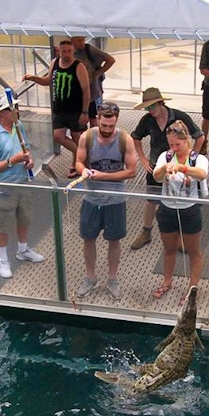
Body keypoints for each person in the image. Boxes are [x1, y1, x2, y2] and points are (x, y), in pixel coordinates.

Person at [74, 102, 137, 300]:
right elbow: (78, 161)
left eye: (111, 126)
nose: (107, 130)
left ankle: (112, 279)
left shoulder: (125, 139)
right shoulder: (87, 137)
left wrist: (102, 176)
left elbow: (131, 171)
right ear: (98, 121)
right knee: (88, 238)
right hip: (91, 199)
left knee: (114, 240)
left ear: (116, 122)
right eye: (104, 126)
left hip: (115, 200)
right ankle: (90, 277)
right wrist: (82, 170)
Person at [130, 87, 205, 250]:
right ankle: (146, 232)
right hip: (158, 164)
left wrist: (192, 159)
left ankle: (181, 236)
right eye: (147, 108)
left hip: (179, 165)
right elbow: (136, 137)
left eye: (152, 106)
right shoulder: (147, 120)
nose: (150, 110)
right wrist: (143, 160)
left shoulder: (179, 117)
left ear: (160, 103)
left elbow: (199, 136)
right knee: (151, 200)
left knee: (181, 199)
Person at [0, 95, 45, 279]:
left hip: (22, 182)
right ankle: (2, 260)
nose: (17, 111)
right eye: (14, 108)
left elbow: (25, 151)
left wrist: (29, 161)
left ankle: (23, 250)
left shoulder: (18, 127)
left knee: (24, 218)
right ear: (2, 113)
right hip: (4, 188)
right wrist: (12, 161)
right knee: (3, 225)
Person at [152, 119, 208, 302]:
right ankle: (167, 282)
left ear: (187, 141)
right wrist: (164, 169)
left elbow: (202, 174)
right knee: (169, 249)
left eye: (178, 144)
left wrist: (183, 168)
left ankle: (192, 287)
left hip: (190, 210)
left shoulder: (198, 159)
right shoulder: (165, 157)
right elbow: (156, 177)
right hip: (167, 209)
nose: (174, 148)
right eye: (171, 144)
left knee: (194, 251)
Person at [23, 39, 90, 179]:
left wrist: (85, 112)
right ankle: (81, 158)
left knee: (77, 137)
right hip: (59, 110)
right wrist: (34, 78)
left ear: (73, 52)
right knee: (58, 136)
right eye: (64, 51)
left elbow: (86, 90)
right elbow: (48, 80)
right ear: (59, 51)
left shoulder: (79, 67)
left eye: (69, 51)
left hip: (75, 110)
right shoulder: (54, 63)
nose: (66, 54)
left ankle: (78, 165)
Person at [71, 36, 116, 128]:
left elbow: (110, 60)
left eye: (83, 40)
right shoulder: (70, 52)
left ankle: (94, 137)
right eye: (79, 41)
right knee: (79, 118)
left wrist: (97, 73)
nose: (82, 43)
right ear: (71, 41)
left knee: (93, 117)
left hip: (92, 91)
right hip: (77, 90)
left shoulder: (89, 49)